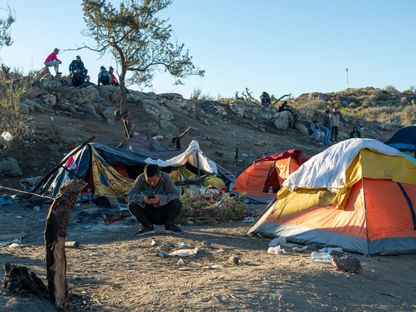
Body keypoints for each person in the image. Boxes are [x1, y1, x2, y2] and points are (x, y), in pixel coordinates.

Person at [128, 164, 183, 235]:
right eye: (149, 180)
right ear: (145, 177)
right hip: (150, 213)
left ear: (159, 176)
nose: (152, 183)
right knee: (132, 205)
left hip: (164, 212)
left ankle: (170, 226)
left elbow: (176, 194)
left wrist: (161, 199)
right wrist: (143, 198)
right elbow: (130, 195)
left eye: (154, 180)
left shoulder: (166, 177)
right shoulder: (141, 178)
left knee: (176, 203)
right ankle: (147, 226)